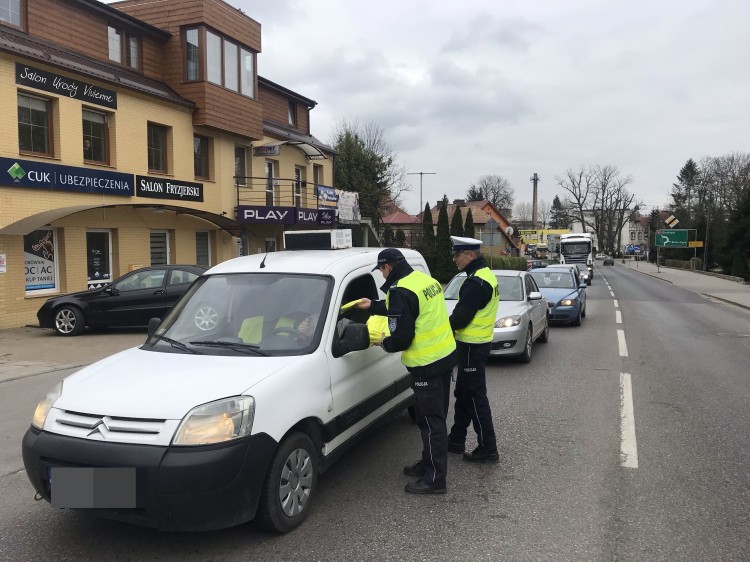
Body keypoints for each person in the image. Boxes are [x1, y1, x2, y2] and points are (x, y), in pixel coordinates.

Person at [356, 248, 456, 495]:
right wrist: (372, 306)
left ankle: (435, 479)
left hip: (426, 364)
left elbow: (402, 337)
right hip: (444, 357)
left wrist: (383, 342)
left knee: (430, 422)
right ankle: (429, 462)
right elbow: (404, 308)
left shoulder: (400, 290)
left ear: (387, 267)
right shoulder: (424, 281)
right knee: (436, 418)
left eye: (381, 269)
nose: (381, 274)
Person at [446, 236, 500, 463]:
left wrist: (437, 329)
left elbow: (459, 319)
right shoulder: (484, 275)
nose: (455, 260)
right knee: (464, 394)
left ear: (470, 255)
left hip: (471, 345)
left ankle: (488, 448)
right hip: (477, 344)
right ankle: (456, 439)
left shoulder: (475, 283)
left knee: (476, 397)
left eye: (457, 255)